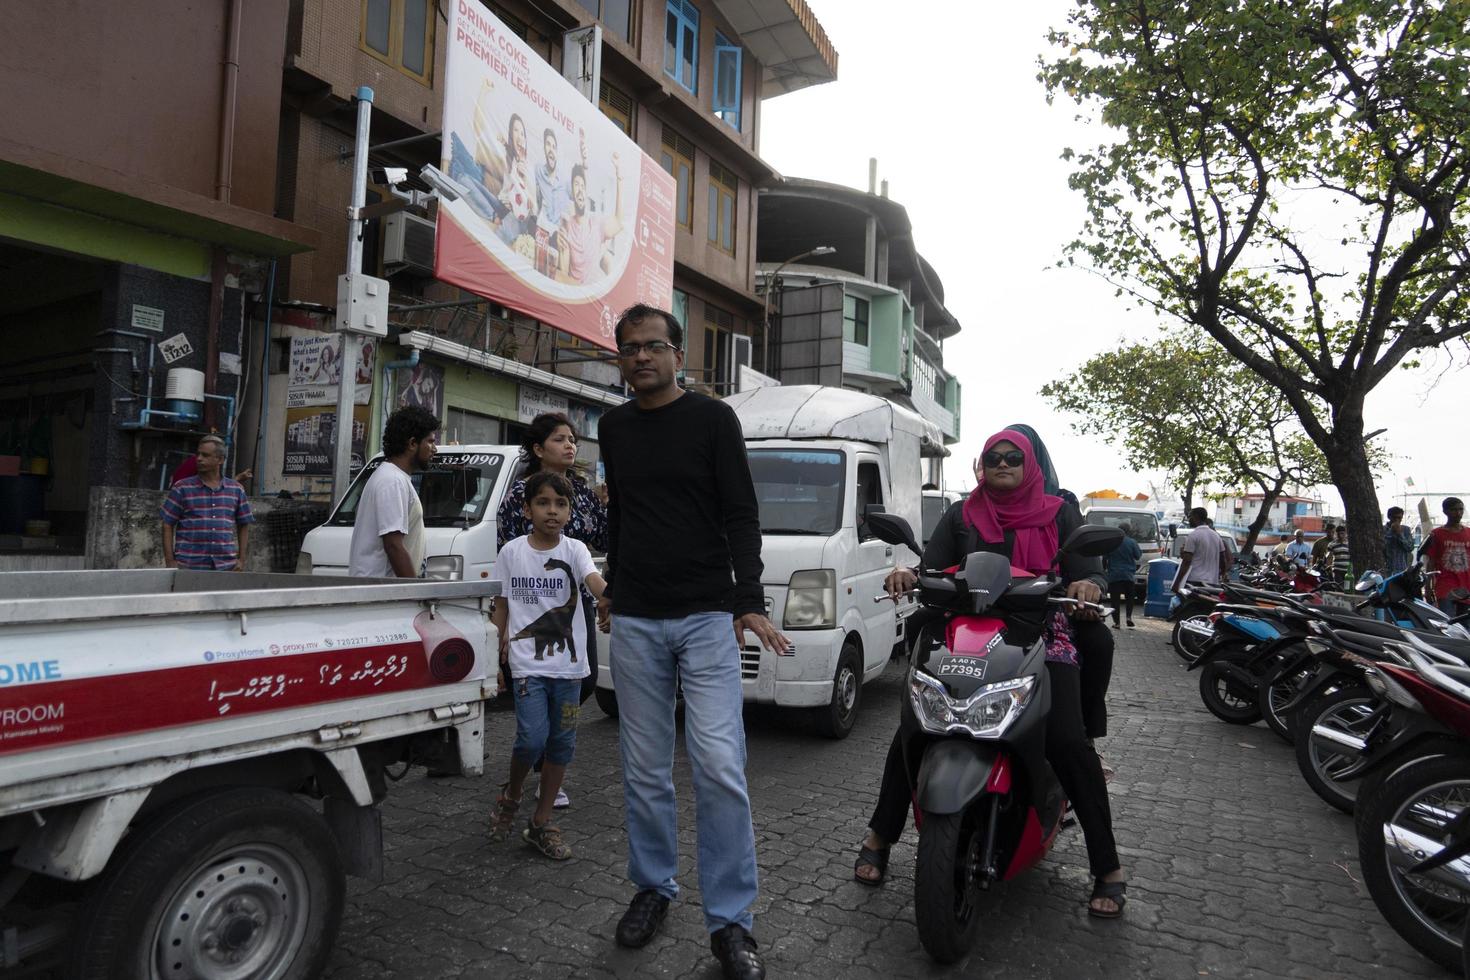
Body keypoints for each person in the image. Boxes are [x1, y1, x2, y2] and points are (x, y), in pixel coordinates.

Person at [854, 429, 1126, 918]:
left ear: (1030, 464)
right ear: (982, 465)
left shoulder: (1060, 509)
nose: (1002, 464)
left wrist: (1088, 584)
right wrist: (908, 575)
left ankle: (1106, 867)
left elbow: (1091, 570)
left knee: (1067, 742)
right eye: (992, 458)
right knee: (913, 731)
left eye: (1012, 457)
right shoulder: (963, 513)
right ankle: (879, 835)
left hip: (1042, 631)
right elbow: (929, 565)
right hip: (963, 632)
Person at [597, 303, 786, 980]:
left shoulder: (712, 419)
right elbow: (621, 512)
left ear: (677, 354)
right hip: (639, 620)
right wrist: (615, 585)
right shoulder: (613, 427)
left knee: (718, 765)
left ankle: (732, 924)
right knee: (645, 771)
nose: (640, 357)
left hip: (707, 617)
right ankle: (653, 887)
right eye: (628, 349)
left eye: (652, 346)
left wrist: (750, 601)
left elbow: (741, 512)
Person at [487, 471, 607, 861]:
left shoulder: (575, 550)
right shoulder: (511, 553)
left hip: (570, 673)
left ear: (569, 511)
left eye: (560, 504)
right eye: (543, 503)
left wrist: (614, 598)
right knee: (531, 739)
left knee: (562, 744)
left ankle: (540, 822)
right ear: (527, 509)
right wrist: (493, 656)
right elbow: (501, 606)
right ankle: (514, 792)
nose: (552, 512)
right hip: (528, 667)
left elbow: (593, 582)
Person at [496, 412, 608, 807]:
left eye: (573, 439)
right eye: (561, 439)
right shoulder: (517, 497)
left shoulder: (580, 490)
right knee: (535, 719)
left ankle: (547, 767)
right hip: (533, 607)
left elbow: (599, 538)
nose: (570, 445)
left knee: (587, 682)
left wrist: (608, 503)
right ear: (539, 448)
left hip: (575, 610)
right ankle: (532, 763)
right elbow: (510, 561)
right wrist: (502, 634)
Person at [348, 406, 438, 578]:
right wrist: (414, 594)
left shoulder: (394, 478)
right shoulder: (393, 481)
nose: (435, 449)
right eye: (430, 441)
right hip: (382, 596)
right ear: (412, 443)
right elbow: (394, 546)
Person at [160, 435, 253, 570]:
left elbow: (244, 523)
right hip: (189, 565)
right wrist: (170, 561)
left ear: (220, 460)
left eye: (205, 455)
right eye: (198, 454)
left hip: (225, 566)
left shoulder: (236, 489)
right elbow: (167, 523)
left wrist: (242, 560)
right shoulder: (182, 488)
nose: (199, 459)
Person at [556, 158, 623, 284]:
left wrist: (619, 179)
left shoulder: (596, 224)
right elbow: (563, 276)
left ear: (586, 192)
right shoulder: (567, 225)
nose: (580, 189)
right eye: (576, 185)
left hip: (591, 298)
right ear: (572, 191)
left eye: (583, 186)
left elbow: (618, 223)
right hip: (573, 294)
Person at [1426, 497, 1470, 616]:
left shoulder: (1468, 533)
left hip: (1466, 586)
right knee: (1447, 622)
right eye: (1454, 510)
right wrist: (1428, 588)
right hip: (1445, 586)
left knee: (1465, 626)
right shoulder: (1437, 534)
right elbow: (1431, 562)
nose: (1458, 513)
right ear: (1445, 511)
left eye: (1461, 509)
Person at [1172, 507, 1228, 592]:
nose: (1188, 519)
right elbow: (1223, 559)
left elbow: (1186, 562)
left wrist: (1177, 583)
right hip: (1212, 583)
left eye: (1190, 516)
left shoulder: (1193, 536)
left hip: (1194, 582)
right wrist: (1223, 574)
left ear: (1196, 517)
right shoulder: (1216, 536)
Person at [1105, 522, 1143, 628]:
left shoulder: (1112, 542)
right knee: (1130, 598)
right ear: (1129, 531)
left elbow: (1105, 557)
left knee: (1115, 600)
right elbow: (1138, 556)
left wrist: (1105, 570)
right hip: (1128, 575)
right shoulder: (1132, 542)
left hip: (1114, 575)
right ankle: (1128, 618)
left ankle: (1117, 623)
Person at [1384, 507, 1415, 576]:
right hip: (1387, 570)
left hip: (1401, 569)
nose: (1397, 520)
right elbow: (1383, 546)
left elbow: (1410, 547)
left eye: (1399, 518)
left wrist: (1400, 534)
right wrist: (1391, 532)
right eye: (1394, 518)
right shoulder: (1383, 530)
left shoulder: (1406, 529)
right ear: (1389, 517)